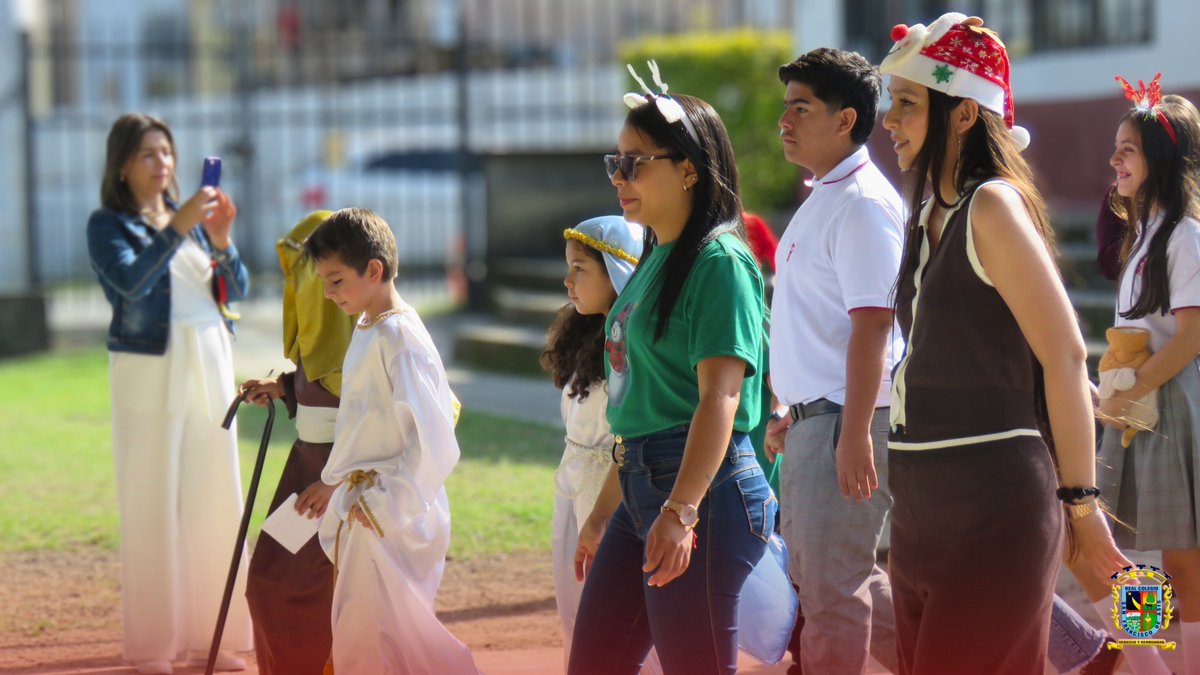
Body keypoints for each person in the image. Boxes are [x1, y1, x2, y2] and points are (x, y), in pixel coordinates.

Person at [879, 13, 1129, 674]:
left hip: (1001, 500)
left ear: (962, 114)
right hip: (926, 507)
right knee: (1122, 573)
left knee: (1146, 564)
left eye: (906, 102)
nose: (889, 119)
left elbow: (1069, 353)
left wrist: (1081, 499)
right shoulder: (928, 215)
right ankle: (1130, 656)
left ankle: (1170, 655)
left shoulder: (992, 206)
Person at [568, 64, 776, 674]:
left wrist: (681, 511)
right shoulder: (658, 250)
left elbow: (720, 399)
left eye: (636, 163)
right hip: (644, 483)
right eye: (616, 162)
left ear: (689, 168)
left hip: (702, 493)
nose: (619, 177)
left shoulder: (719, 261)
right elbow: (641, 402)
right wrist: (608, 507)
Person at [86, 113, 251, 675]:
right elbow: (129, 282)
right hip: (147, 367)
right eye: (149, 155)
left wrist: (223, 242)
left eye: (167, 151)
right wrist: (177, 227)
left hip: (209, 359)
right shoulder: (108, 224)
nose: (163, 163)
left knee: (216, 499)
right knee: (151, 501)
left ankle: (212, 638)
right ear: (123, 165)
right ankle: (154, 647)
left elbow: (235, 292)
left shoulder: (196, 224)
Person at [762, 47, 903, 675]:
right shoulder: (828, 197)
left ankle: (1150, 655)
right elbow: (823, 326)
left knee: (831, 594)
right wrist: (796, 408)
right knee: (840, 583)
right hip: (825, 417)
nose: (785, 121)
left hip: (1166, 413)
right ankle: (1117, 656)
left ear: (845, 119)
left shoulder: (863, 204)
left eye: (801, 107)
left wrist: (850, 432)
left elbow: (875, 324)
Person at [305, 208, 478, 675]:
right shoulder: (370, 326)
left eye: (336, 280)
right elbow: (365, 427)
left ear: (374, 270)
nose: (328, 292)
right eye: (324, 280)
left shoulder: (398, 335)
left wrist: (385, 503)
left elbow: (435, 437)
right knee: (365, 635)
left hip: (391, 512)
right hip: (365, 503)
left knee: (393, 637)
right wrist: (336, 484)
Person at [1096, 78, 1200, 675]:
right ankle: (1147, 662)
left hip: (1166, 401)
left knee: (1184, 562)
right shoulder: (1145, 233)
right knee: (1128, 552)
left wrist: (1130, 391)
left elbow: (1189, 336)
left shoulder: (1184, 234)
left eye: (1127, 149)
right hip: (1135, 403)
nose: (1114, 161)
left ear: (1159, 158)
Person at [541, 215, 662, 673]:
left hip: (612, 496)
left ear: (618, 273)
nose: (567, 280)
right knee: (576, 608)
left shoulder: (633, 341)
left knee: (616, 619)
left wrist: (601, 515)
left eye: (580, 269)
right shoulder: (587, 334)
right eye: (569, 267)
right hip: (573, 489)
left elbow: (630, 434)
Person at [240, 210, 356, 675]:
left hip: (331, 478)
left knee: (307, 594)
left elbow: (372, 415)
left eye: (311, 275)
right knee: (269, 579)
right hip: (305, 471)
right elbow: (318, 380)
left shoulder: (366, 336)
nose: (312, 291)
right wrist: (284, 387)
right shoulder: (326, 338)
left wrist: (337, 483)